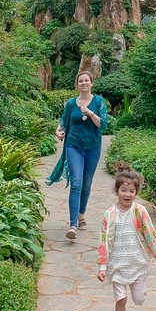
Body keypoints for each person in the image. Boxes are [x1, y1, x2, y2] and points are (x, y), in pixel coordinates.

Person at [97, 166, 156, 311]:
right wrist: (102, 266)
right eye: (123, 190)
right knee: (121, 299)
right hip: (117, 263)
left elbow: (151, 234)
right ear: (117, 190)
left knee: (139, 299)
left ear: (136, 192)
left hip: (137, 262)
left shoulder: (140, 211)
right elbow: (103, 240)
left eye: (132, 191)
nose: (127, 194)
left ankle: (139, 290)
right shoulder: (109, 215)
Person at [51, 70, 108, 240]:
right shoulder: (70, 103)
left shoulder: (99, 101)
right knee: (76, 183)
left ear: (91, 83)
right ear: (77, 84)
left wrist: (90, 113)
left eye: (86, 80)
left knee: (86, 183)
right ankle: (73, 224)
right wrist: (58, 131)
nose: (84, 83)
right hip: (73, 146)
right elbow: (63, 121)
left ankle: (81, 214)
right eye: (81, 81)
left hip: (93, 147)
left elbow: (103, 125)